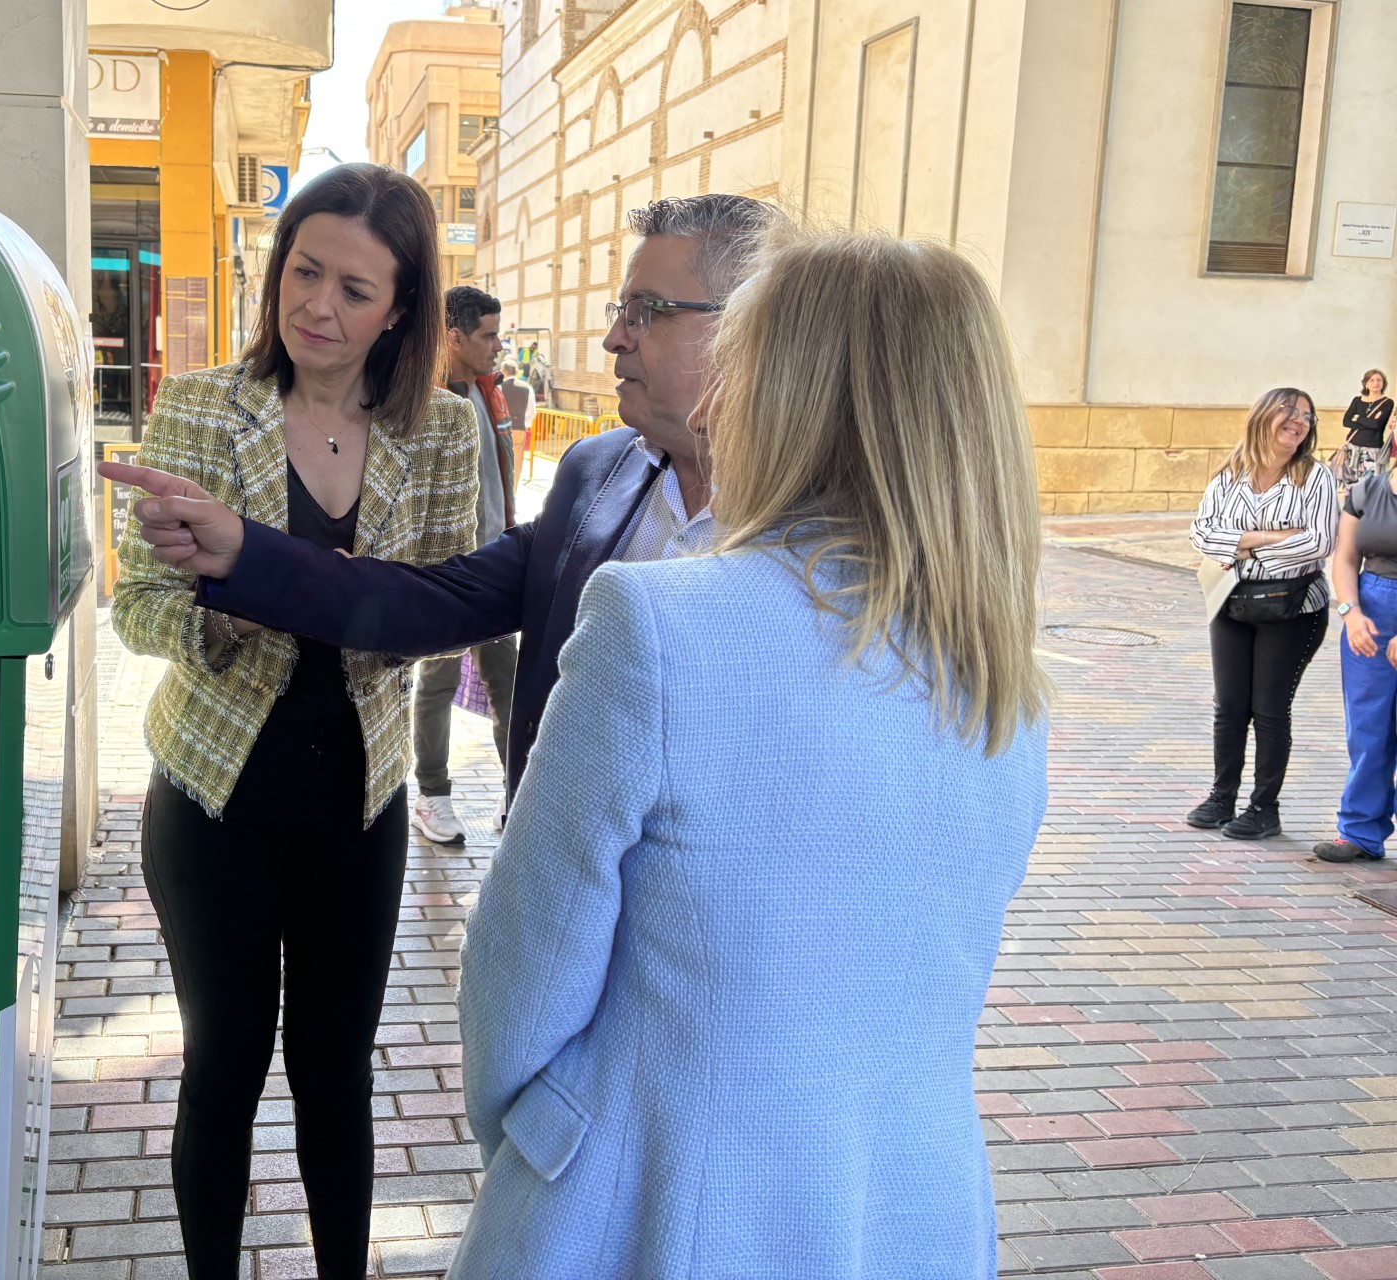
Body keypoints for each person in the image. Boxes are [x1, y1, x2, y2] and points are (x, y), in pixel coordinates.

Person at [449, 233, 1050, 1278]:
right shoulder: (1006, 687)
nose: (716, 409)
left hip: (653, 1206)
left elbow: (520, 973)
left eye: (741, 373)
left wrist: (540, 1148)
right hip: (913, 1217)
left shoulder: (659, 628)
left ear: (795, 402)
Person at [102, 194, 783, 811]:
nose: (614, 338)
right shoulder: (596, 478)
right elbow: (433, 602)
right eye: (305, 273)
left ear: (749, 332)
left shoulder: (849, 533)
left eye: (647, 313)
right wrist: (245, 557)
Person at [108, 163, 479, 1280]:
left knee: (337, 1074)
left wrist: (305, 583)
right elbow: (136, 605)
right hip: (217, 795)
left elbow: (444, 617)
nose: (318, 305)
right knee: (222, 1065)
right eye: (303, 273)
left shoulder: (447, 431)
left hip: (357, 807)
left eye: (354, 289)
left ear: (401, 308)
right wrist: (215, 611)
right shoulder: (201, 406)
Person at [1186, 388, 1338, 840]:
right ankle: (1221, 798)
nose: (1299, 421)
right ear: (1262, 417)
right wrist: (1267, 539)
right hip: (1230, 601)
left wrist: (1239, 547)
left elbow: (1318, 542)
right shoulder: (1230, 474)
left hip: (1292, 607)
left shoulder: (1315, 476)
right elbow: (1200, 533)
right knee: (1229, 708)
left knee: (1269, 710)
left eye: (1307, 417)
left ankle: (1263, 808)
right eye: (1289, 411)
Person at [408, 286, 519, 843]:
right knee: (437, 679)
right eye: (489, 335)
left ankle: (519, 796)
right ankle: (432, 796)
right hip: (450, 571)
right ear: (454, 337)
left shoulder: (487, 392)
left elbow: (498, 486)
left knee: (512, 686)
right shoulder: (427, 400)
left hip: (495, 566)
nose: (499, 345)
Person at [1318, 464, 1397, 861]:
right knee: (1367, 726)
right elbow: (1346, 557)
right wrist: (1350, 612)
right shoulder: (1368, 490)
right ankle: (1360, 831)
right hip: (1370, 611)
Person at [1339, 369, 1392, 487]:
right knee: (1351, 485)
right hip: (1352, 449)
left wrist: (1358, 418)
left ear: (1383, 383)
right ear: (1366, 383)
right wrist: (1368, 422)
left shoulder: (1387, 402)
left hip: (1372, 450)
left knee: (1369, 485)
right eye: (1372, 380)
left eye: (1379, 380)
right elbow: (1346, 421)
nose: (1376, 383)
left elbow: (1376, 425)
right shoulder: (1357, 400)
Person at [501, 359, 535, 475]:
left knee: (502, 461)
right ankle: (513, 490)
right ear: (516, 372)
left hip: (502, 429)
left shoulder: (499, 388)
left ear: (503, 371)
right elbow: (531, 410)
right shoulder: (527, 388)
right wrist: (525, 423)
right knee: (517, 462)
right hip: (519, 427)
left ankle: (504, 491)